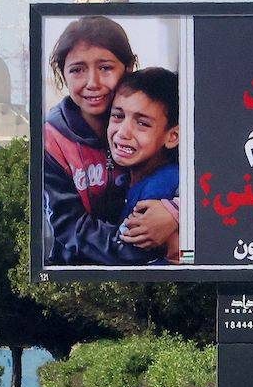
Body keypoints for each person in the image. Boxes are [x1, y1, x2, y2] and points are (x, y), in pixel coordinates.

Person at [42, 16, 177, 265]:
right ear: (63, 74)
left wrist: (175, 215)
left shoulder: (152, 126)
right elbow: (70, 226)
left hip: (154, 274)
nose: (92, 83)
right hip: (79, 278)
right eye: (77, 70)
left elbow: (203, 186)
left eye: (105, 68)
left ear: (128, 69)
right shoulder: (53, 139)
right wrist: (139, 248)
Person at [108, 68, 181, 264]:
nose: (123, 132)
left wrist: (177, 213)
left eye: (142, 123)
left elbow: (129, 255)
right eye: (117, 116)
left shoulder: (163, 184)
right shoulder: (124, 177)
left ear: (172, 136)